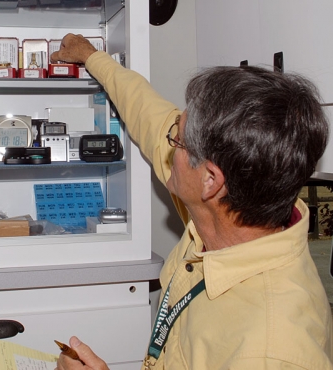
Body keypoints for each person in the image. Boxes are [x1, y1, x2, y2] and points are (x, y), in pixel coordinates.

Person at [51, 33, 333, 370]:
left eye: (177, 139)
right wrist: (91, 56)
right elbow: (146, 111)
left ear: (210, 180)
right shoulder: (227, 213)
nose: (168, 144)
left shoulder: (271, 351)